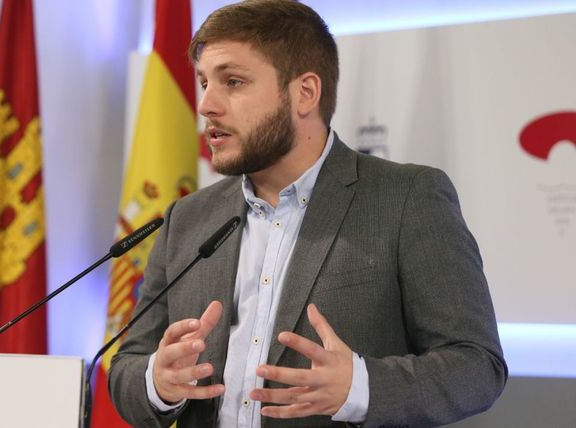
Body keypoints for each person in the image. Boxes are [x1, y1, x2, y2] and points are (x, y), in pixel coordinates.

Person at [108, 1, 507, 427]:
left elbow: (476, 367)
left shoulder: (408, 198)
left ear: (305, 93)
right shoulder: (187, 218)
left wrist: (361, 387)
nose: (206, 104)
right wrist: (158, 380)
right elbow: (126, 366)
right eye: (204, 82)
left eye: (233, 81)